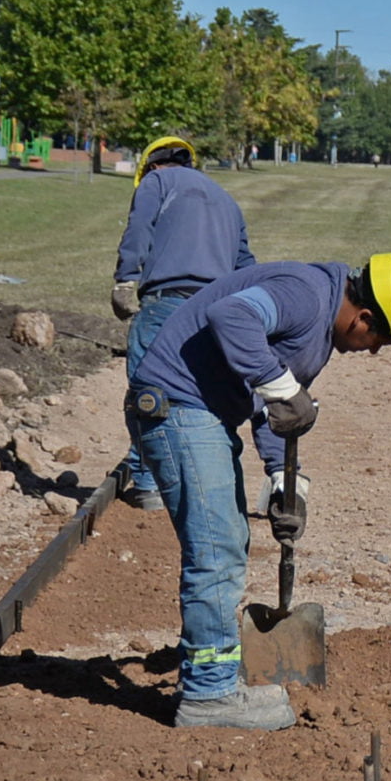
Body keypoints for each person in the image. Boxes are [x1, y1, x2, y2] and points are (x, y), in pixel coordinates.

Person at [129, 253, 391, 728]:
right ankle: (207, 696)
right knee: (216, 551)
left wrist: (285, 480)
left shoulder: (318, 327)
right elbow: (231, 316)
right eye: (379, 338)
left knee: (227, 544)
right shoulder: (306, 294)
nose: (374, 351)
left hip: (201, 413)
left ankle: (211, 679)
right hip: (177, 406)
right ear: (362, 317)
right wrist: (279, 386)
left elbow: (275, 410)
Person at [111, 137, 256, 509]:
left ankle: (148, 484)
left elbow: (139, 228)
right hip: (215, 313)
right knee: (201, 398)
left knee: (148, 394)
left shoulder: (155, 184)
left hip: (167, 303)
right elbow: (246, 267)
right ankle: (204, 485)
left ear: (150, 166)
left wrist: (127, 278)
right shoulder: (227, 200)